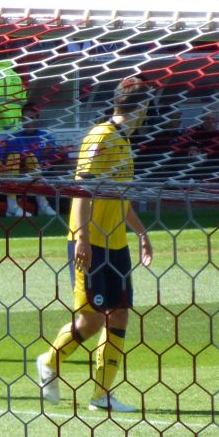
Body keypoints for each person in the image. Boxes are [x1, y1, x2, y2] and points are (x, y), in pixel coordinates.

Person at [36, 76, 154, 414]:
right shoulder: (100, 138)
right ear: (141, 107)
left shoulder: (124, 141)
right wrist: (84, 238)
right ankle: (49, 361)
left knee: (119, 315)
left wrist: (141, 233)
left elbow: (119, 197)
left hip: (116, 244)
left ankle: (101, 395)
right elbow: (82, 191)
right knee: (91, 321)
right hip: (91, 243)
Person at [8, 101, 62, 217]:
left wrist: (50, 160)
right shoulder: (14, 138)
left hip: (44, 172)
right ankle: (43, 206)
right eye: (25, 119)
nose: (28, 122)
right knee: (31, 161)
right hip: (22, 173)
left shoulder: (46, 136)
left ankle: (44, 206)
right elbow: (10, 162)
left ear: (37, 119)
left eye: (31, 118)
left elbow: (57, 155)